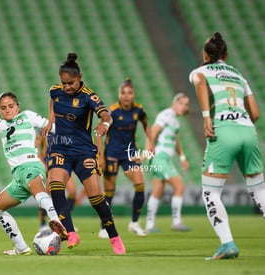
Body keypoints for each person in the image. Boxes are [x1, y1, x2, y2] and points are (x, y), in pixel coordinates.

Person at [0, 69, 67, 255]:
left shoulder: (27, 116)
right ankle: (21, 247)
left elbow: (50, 126)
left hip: (30, 166)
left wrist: (72, 133)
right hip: (17, 176)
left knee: (38, 191)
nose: (7, 109)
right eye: (3, 108)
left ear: (17, 106)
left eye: (11, 106)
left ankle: (56, 220)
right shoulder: (0, 126)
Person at [189, 32, 265, 260]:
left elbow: (200, 83)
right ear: (227, 54)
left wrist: (206, 117)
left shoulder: (200, 71)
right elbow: (256, 113)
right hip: (248, 131)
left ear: (205, 54)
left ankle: (227, 244)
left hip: (223, 131)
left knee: (211, 192)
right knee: (259, 189)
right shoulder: (238, 75)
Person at [42, 53, 126, 254]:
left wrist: (105, 123)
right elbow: (53, 103)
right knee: (55, 186)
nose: (66, 87)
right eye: (64, 83)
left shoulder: (89, 96)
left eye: (70, 83)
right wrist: (50, 121)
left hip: (83, 151)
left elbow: (105, 113)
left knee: (96, 197)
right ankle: (71, 233)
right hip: (60, 147)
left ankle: (114, 236)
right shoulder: (55, 92)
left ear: (79, 77)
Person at [96, 78, 154, 238]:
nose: (126, 96)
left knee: (140, 185)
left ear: (134, 94)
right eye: (123, 93)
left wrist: (151, 144)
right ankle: (104, 228)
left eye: (130, 93)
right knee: (109, 192)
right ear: (119, 94)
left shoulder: (139, 110)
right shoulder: (112, 112)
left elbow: (147, 125)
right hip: (112, 154)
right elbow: (99, 133)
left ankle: (134, 223)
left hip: (130, 155)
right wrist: (100, 156)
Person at [145, 93, 192, 233]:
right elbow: (153, 132)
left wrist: (182, 157)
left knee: (157, 192)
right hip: (160, 157)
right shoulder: (166, 114)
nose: (184, 107)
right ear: (174, 102)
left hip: (165, 158)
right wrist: (147, 152)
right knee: (180, 186)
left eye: (186, 105)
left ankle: (149, 225)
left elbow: (176, 140)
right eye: (181, 103)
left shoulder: (175, 121)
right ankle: (176, 222)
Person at [35, 132, 78, 232]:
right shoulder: (46, 129)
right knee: (46, 194)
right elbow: (37, 146)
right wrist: (41, 161)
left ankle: (65, 221)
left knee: (72, 191)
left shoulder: (64, 127)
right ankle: (42, 223)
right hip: (49, 163)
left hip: (63, 162)